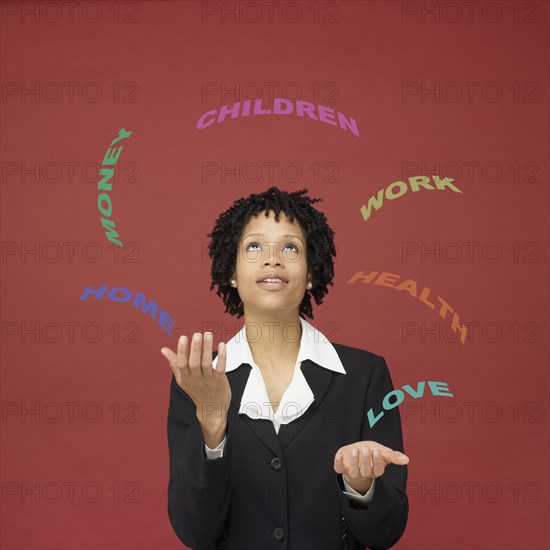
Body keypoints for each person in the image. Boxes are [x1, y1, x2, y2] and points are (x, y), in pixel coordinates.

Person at [163, 186, 409, 550]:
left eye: (290, 247)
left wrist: (361, 487)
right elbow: (195, 533)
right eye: (254, 247)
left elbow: (385, 533)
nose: (272, 259)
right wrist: (212, 421)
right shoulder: (197, 380)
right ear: (231, 272)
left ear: (312, 272)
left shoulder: (366, 375)